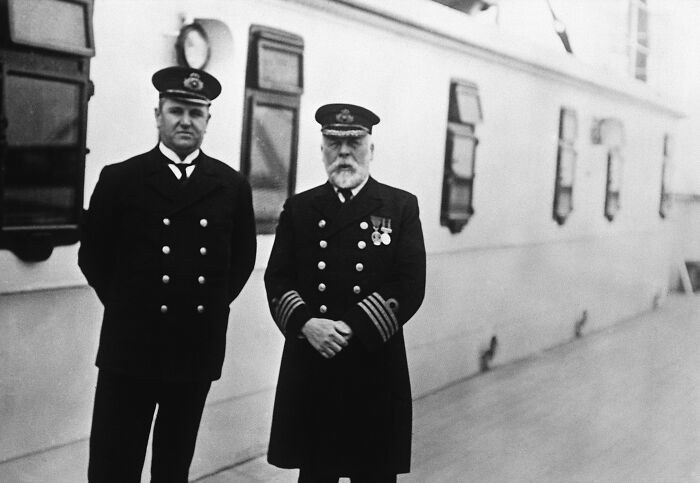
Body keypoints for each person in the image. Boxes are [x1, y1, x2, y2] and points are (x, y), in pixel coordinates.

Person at [78, 66, 257, 483]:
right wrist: (130, 305)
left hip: (194, 345)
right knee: (113, 462)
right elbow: (94, 257)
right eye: (176, 110)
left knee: (173, 465)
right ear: (158, 115)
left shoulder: (231, 186)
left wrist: (197, 308)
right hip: (130, 345)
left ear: (208, 121)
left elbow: (241, 262)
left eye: (196, 113)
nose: (185, 121)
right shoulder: (121, 178)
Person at [264, 103, 426, 482]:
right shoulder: (300, 208)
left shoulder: (400, 206)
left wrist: (351, 326)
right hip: (313, 366)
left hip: (374, 367)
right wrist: (308, 324)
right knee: (316, 472)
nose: (344, 153)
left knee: (373, 472)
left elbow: (409, 282)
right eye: (333, 143)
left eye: (354, 143)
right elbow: (278, 278)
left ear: (371, 149)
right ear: (322, 150)